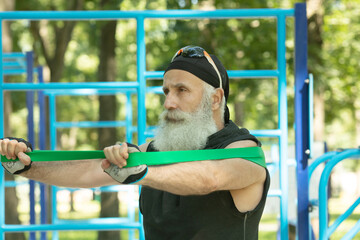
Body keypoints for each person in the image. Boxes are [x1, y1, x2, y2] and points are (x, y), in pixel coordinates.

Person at [1, 45, 270, 240]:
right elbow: (87, 171)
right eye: (166, 91)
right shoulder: (152, 151)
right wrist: (26, 166)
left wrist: (141, 173)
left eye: (182, 90)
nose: (168, 103)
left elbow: (211, 176)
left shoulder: (245, 152)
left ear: (214, 99)